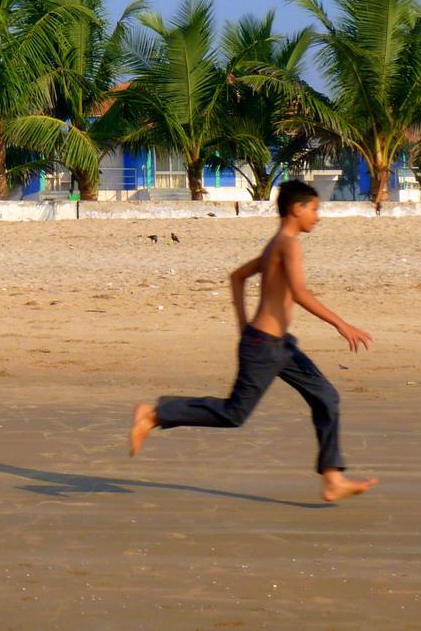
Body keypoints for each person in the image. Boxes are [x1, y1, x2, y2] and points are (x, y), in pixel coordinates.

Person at [127, 180, 378, 502]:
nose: (318, 216)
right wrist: (342, 325)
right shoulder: (287, 244)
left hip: (280, 346)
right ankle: (155, 414)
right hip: (264, 348)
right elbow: (299, 292)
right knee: (234, 414)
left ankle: (332, 479)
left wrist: (243, 324)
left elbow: (237, 276)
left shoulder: (276, 244)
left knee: (326, 397)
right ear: (296, 208)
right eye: (314, 209)